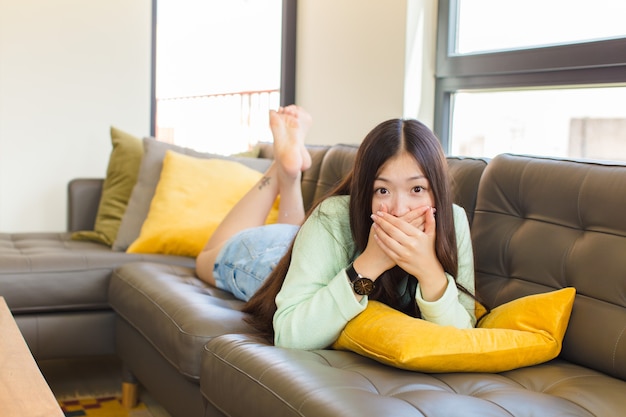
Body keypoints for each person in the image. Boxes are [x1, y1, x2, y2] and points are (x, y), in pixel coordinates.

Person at [197, 106, 476, 351]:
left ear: (436, 191)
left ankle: (288, 171)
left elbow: (465, 335)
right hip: (268, 258)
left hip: (310, 249)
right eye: (382, 190)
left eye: (417, 189)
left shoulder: (454, 221)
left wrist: (429, 271)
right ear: (365, 192)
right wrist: (369, 264)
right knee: (204, 259)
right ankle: (280, 170)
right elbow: (290, 335)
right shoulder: (333, 216)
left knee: (297, 233)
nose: (400, 209)